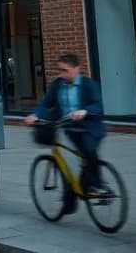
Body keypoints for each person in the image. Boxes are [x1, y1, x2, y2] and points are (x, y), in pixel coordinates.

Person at [23, 53, 107, 214]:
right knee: (67, 164)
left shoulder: (88, 85)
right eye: (60, 70)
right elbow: (46, 104)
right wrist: (35, 115)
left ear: (77, 69)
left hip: (89, 128)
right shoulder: (58, 85)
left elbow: (98, 105)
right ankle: (71, 200)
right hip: (69, 129)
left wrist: (85, 111)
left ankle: (98, 186)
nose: (62, 74)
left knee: (89, 150)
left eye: (65, 70)